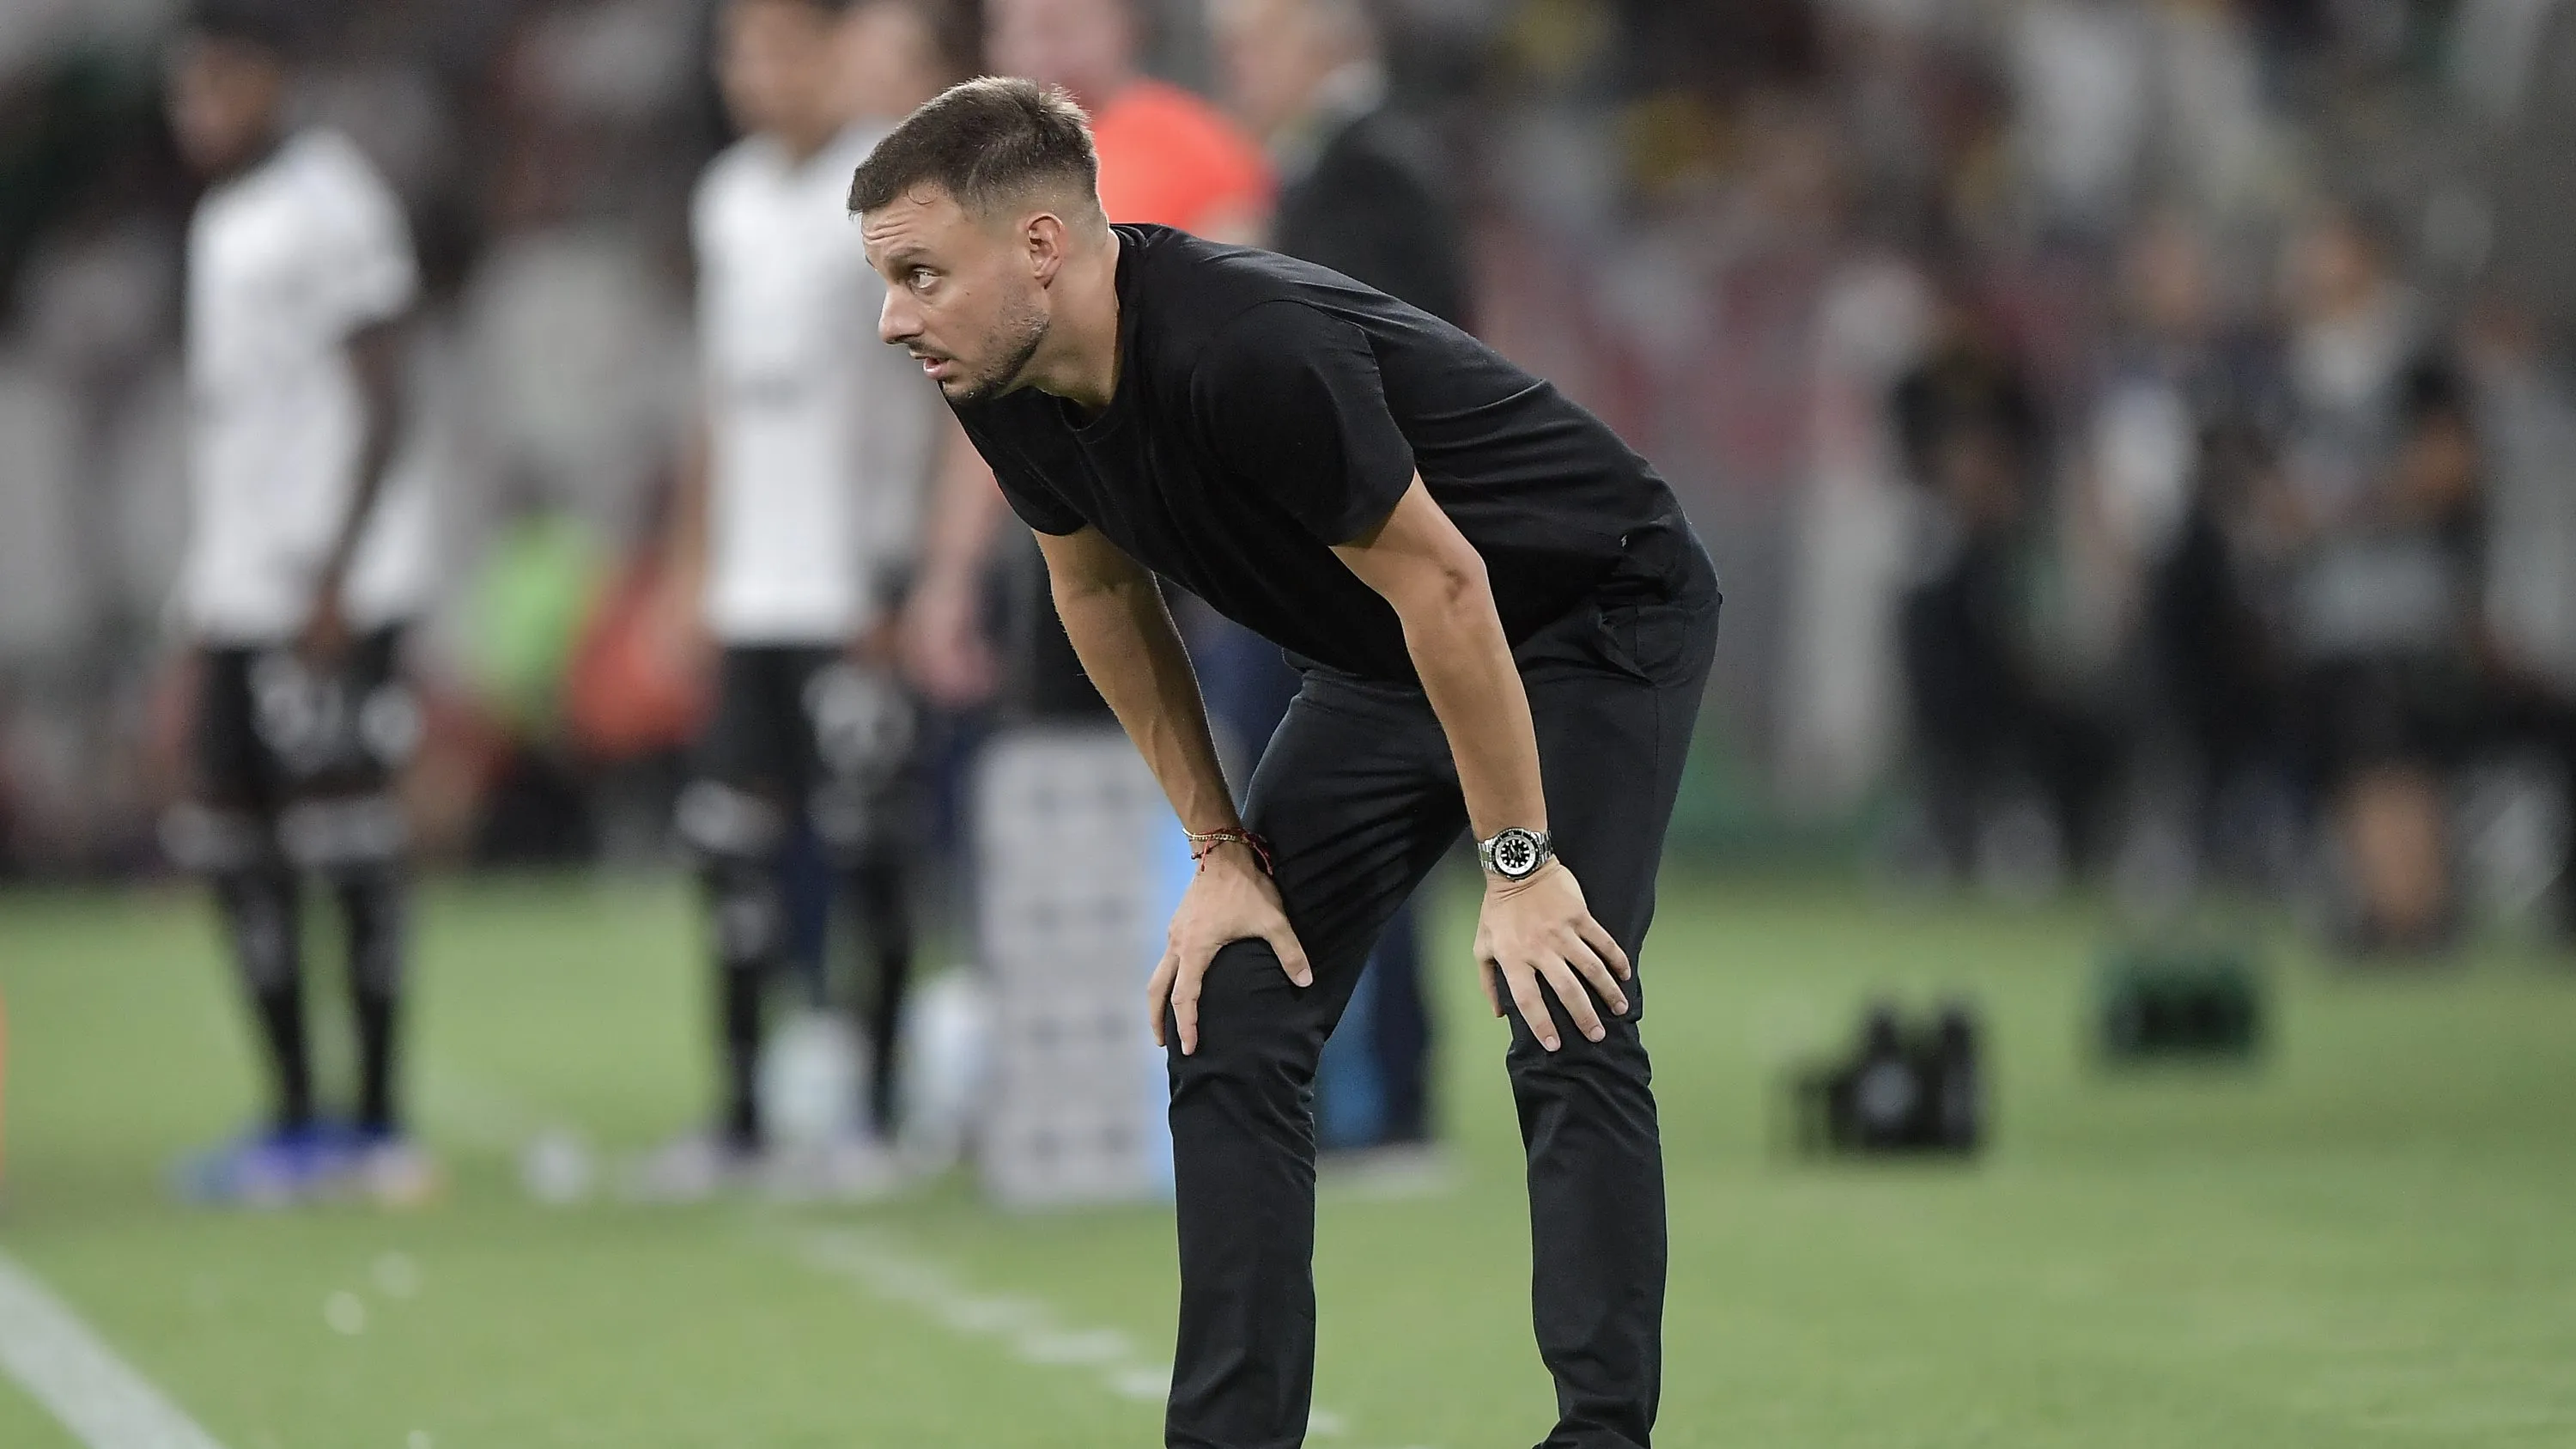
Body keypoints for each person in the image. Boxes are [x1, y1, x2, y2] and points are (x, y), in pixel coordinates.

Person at [850, 79, 1721, 1448]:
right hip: (1391, 658)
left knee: (1564, 988)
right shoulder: (998, 373)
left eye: (917, 274)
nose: (894, 317)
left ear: (1039, 247)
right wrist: (1221, 856)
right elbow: (1100, 597)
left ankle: (1601, 1433)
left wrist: (1519, 864)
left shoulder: (1246, 346)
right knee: (1233, 1002)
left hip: (1587, 614)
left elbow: (1450, 586)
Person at [642, 0, 957, 1196]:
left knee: (868, 841)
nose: (754, 73)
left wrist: (904, 572)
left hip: (847, 586)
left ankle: (875, 1115)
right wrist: (687, 563)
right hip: (750, 589)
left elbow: (939, 393)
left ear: (835, 51)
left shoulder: (883, 200)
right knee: (729, 845)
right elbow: (719, 398)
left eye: (779, 46)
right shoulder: (724, 198)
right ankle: (738, 1114)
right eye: (737, 50)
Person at [160, 0, 436, 1205]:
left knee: (345, 843)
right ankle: (290, 1113)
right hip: (236, 583)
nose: (198, 112)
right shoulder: (223, 216)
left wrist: (338, 566)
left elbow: (385, 391)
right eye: (187, 91)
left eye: (219, 85)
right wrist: (206, 590)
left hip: (329, 586)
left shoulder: (333, 200)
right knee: (232, 840)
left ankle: (376, 1124)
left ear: (269, 79)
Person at [1206, 0, 1473, 1150]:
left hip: (1346, 562)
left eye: (1253, 42)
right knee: (1330, 817)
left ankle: (1383, 1096)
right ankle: (1362, 1089)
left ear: (1325, 43)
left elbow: (1355, 367)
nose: (1236, 68)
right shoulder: (1340, 172)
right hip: (1328, 555)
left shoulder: (1366, 179)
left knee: (1346, 816)